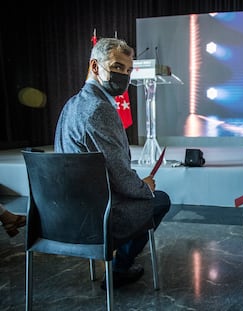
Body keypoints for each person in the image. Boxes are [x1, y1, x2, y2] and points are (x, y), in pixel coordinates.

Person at [54, 37, 171, 289]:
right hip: (95, 219)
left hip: (61, 216)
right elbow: (120, 177)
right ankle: (119, 270)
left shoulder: (70, 104)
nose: (124, 76)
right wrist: (145, 187)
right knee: (159, 199)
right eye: (117, 67)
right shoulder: (100, 109)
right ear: (95, 67)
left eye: (129, 70)